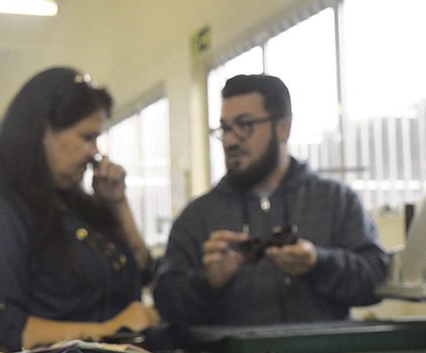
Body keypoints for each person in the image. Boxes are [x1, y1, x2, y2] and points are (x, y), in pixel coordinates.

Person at [152, 74, 389, 326]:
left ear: (283, 128)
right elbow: (167, 305)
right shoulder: (198, 217)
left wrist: (318, 263)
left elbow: (376, 279)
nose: (231, 140)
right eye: (225, 128)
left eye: (245, 125)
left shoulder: (336, 200)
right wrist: (209, 282)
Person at [0, 66, 158, 352]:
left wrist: (118, 205)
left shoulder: (75, 205)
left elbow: (141, 272)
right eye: (87, 137)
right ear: (41, 133)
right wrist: (110, 332)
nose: (95, 152)